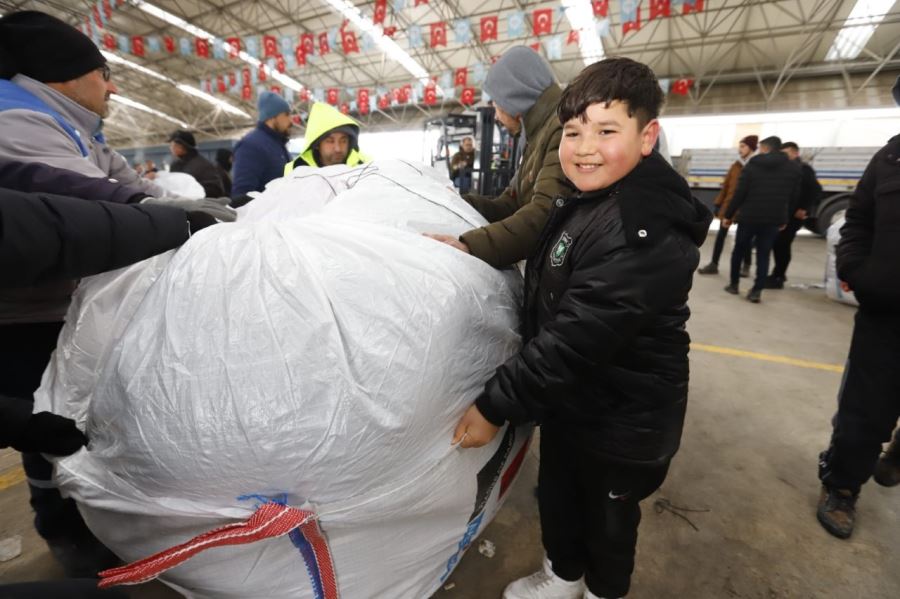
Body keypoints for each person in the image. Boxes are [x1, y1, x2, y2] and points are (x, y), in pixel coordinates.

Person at [451, 57, 711, 599]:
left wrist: (495, 404)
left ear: (647, 137)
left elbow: (575, 338)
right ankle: (564, 575)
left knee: (609, 524)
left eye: (607, 130)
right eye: (573, 131)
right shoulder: (587, 198)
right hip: (577, 406)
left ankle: (601, 590)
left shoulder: (642, 231)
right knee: (559, 496)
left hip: (625, 423)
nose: (585, 146)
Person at [0, 185, 189, 597]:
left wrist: (14, 421)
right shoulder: (27, 124)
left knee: (53, 426)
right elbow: (45, 223)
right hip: (22, 320)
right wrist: (167, 218)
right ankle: (64, 530)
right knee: (56, 436)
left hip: (45, 306)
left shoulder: (82, 135)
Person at [0, 11, 232, 223]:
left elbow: (134, 185)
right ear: (64, 74)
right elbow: (92, 201)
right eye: (105, 74)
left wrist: (182, 202)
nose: (113, 88)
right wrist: (156, 208)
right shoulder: (18, 121)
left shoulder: (85, 133)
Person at [816, 78, 900, 539]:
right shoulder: (888, 160)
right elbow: (857, 221)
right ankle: (843, 486)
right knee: (864, 411)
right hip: (888, 314)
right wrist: (858, 271)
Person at [426, 46, 575, 268]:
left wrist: (472, 247)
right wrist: (459, 202)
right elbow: (510, 203)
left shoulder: (560, 130)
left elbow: (546, 213)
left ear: (515, 99)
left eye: (497, 105)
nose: (496, 115)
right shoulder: (536, 136)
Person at [721, 136, 800, 303]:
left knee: (739, 251)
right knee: (764, 254)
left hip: (749, 216)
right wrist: (784, 218)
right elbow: (792, 197)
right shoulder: (792, 168)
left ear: (764, 148)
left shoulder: (753, 165)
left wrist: (728, 215)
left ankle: (734, 285)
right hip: (773, 219)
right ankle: (756, 291)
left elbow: (740, 193)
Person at [765, 141, 822, 288]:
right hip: (783, 213)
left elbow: (815, 190)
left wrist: (804, 208)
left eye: (786, 153)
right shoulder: (786, 168)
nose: (783, 156)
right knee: (778, 245)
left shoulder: (804, 169)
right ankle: (778, 274)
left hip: (794, 216)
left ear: (795, 153)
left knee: (783, 245)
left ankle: (778, 277)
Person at [697, 136, 756, 276]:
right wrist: (718, 203)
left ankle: (746, 265)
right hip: (730, 206)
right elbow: (726, 187)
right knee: (720, 236)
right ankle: (714, 264)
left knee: (745, 240)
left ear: (751, 148)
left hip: (745, 209)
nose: (740, 149)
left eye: (743, 146)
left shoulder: (755, 166)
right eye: (740, 146)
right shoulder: (735, 166)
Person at [231, 91, 292, 197]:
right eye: (286, 114)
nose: (290, 121)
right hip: (266, 213)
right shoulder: (251, 146)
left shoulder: (278, 145)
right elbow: (242, 194)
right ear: (273, 117)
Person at [284, 101, 368, 172]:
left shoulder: (366, 167)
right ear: (316, 144)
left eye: (343, 141)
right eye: (330, 141)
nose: (338, 148)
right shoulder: (295, 171)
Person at [167, 129, 227, 198]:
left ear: (182, 146)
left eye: (172, 145)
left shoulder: (203, 165)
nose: (170, 148)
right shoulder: (176, 165)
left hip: (198, 206)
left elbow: (216, 190)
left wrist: (190, 192)